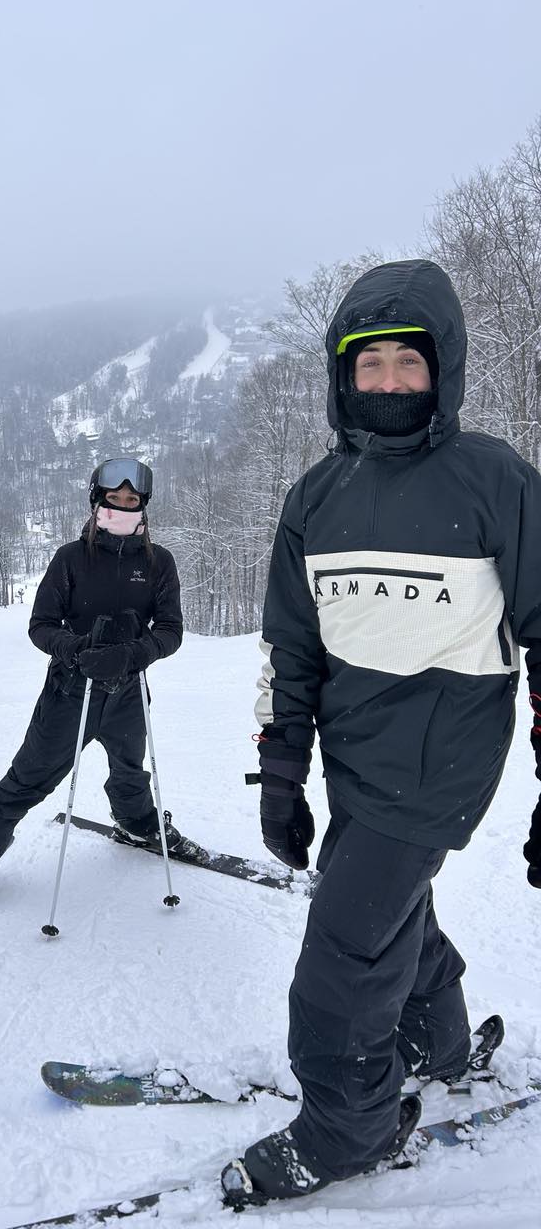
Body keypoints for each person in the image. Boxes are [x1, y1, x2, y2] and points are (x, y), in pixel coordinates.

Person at [222, 259, 541, 1206]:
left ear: (444, 369)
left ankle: (346, 1132)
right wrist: (283, 772)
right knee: (390, 908)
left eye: (411, 361)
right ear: (343, 373)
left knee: (342, 957)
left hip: (443, 760)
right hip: (355, 758)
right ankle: (435, 1046)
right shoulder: (316, 496)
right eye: (372, 364)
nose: (391, 381)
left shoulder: (495, 480)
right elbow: (291, 646)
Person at [0, 458, 194, 906]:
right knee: (28, 778)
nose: (123, 506)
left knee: (130, 771)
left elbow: (170, 630)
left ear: (143, 505)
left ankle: (137, 825)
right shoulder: (71, 558)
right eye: (114, 498)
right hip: (70, 692)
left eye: (132, 500)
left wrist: (133, 654)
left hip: (128, 692)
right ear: (97, 502)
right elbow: (41, 625)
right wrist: (77, 650)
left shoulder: (159, 562)